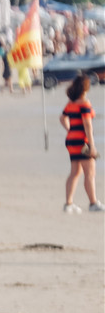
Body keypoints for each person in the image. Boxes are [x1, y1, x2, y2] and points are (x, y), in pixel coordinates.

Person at [60, 76, 100, 213]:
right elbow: (87, 124)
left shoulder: (71, 103)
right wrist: (92, 145)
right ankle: (93, 203)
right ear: (86, 88)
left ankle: (68, 204)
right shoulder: (84, 104)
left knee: (75, 172)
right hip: (83, 141)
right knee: (90, 172)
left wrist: (70, 130)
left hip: (71, 140)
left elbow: (62, 117)